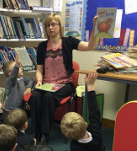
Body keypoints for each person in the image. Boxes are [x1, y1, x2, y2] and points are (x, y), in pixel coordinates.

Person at [29, 13, 98, 144]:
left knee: (49, 97)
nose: (50, 27)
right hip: (47, 84)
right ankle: (36, 132)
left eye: (54, 24)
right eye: (48, 25)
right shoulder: (42, 46)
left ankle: (45, 134)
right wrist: (38, 80)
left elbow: (90, 46)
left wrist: (95, 28)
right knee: (35, 96)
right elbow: (39, 69)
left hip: (65, 85)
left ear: (60, 26)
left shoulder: (68, 42)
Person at [60, 71, 106, 151]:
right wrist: (90, 86)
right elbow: (94, 111)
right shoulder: (95, 131)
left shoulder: (76, 147)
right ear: (85, 124)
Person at [2, 54, 34, 120]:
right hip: (10, 111)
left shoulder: (21, 79)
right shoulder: (10, 82)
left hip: (20, 109)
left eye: (20, 66)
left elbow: (31, 80)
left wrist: (29, 87)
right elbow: (13, 76)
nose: (21, 68)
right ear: (10, 73)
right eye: (19, 67)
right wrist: (16, 65)